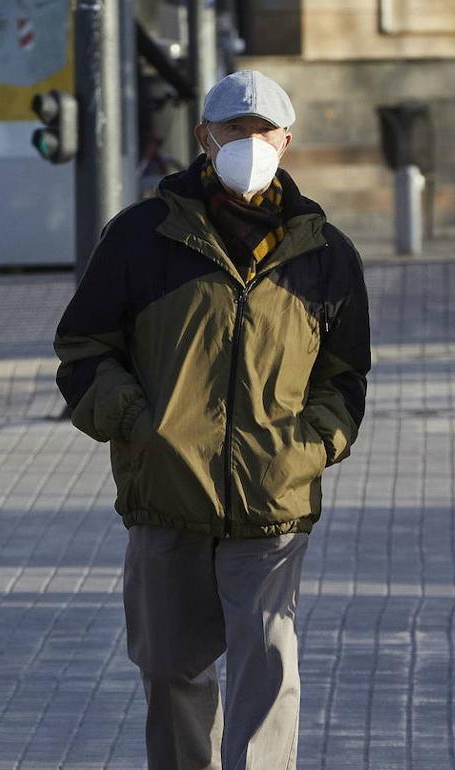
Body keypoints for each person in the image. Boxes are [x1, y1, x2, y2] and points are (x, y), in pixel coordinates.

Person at [54, 70, 371, 770]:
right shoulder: (142, 236)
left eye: (263, 132)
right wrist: (142, 425)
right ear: (204, 138)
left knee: (268, 673)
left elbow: (345, 375)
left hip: (274, 500)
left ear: (286, 140)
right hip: (165, 494)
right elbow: (83, 350)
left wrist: (311, 447)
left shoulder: (324, 252)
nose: (249, 144)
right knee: (170, 673)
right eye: (235, 130)